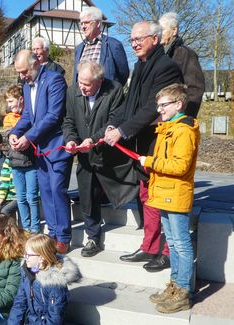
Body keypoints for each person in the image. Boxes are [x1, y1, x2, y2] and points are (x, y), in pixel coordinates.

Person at [104, 20, 183, 271]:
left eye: (139, 38)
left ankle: (168, 252)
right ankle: (149, 246)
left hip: (160, 144)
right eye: (132, 40)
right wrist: (113, 124)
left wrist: (123, 131)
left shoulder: (167, 67)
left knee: (162, 197)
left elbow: (152, 108)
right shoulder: (139, 66)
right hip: (143, 144)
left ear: (155, 39)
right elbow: (130, 105)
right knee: (146, 195)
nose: (134, 43)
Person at [138, 83, 199, 313]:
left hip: (176, 195)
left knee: (181, 244)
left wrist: (150, 162)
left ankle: (183, 292)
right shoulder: (168, 128)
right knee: (172, 243)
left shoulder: (183, 131)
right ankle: (174, 286)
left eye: (163, 105)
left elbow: (180, 166)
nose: (159, 109)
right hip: (164, 194)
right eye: (159, 105)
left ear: (178, 104)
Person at [10, 50, 73, 254]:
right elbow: (28, 115)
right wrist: (16, 132)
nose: (22, 76)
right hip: (41, 151)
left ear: (36, 63)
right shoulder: (27, 87)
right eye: (19, 72)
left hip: (57, 146)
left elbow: (53, 115)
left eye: (24, 71)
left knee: (57, 190)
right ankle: (52, 233)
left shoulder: (55, 80)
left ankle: (63, 237)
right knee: (45, 192)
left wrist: (28, 137)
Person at [63, 60, 124, 257]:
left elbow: (115, 119)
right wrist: (71, 140)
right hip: (85, 156)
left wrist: (94, 138)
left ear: (99, 81)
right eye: (80, 82)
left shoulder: (114, 89)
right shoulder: (72, 92)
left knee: (116, 189)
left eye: (87, 84)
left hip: (109, 154)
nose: (82, 87)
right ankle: (93, 237)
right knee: (87, 194)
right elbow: (69, 121)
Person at [8, 234, 81, 324]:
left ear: (41, 257)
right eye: (25, 254)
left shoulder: (55, 283)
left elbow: (54, 319)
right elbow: (19, 303)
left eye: (28, 255)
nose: (25, 258)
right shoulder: (27, 273)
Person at [3, 85, 40, 234]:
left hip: (30, 163)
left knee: (32, 197)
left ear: (21, 100)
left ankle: (35, 227)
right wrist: (13, 139)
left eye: (11, 101)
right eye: (8, 102)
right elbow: (8, 134)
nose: (9, 105)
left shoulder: (30, 114)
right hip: (15, 163)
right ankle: (25, 226)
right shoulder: (8, 118)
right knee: (21, 197)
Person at [159, 12, 205, 118]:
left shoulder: (185, 54)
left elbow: (195, 89)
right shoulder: (160, 56)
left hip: (177, 119)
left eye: (162, 30)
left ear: (174, 30)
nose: (159, 34)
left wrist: (184, 117)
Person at [73, 6, 129, 86]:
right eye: (81, 23)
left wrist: (112, 93)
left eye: (87, 22)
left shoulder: (113, 45)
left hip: (105, 95)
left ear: (98, 23)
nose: (83, 27)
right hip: (82, 96)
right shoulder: (79, 48)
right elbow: (76, 76)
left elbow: (123, 74)